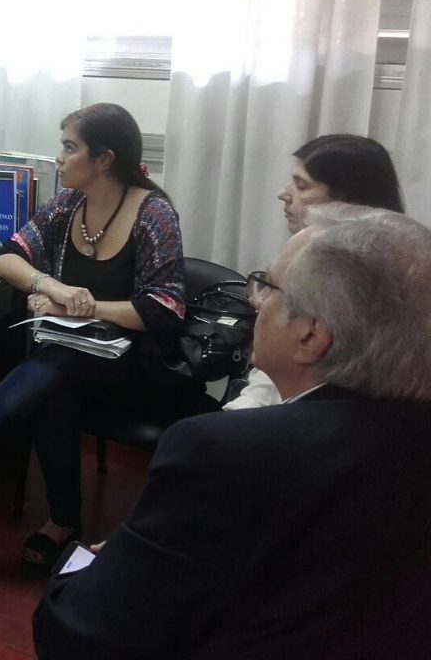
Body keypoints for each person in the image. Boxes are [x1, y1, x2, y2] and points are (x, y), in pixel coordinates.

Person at [33, 204, 431, 659]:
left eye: (268, 286)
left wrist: (91, 564)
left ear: (310, 337)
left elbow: (77, 632)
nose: (254, 301)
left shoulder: (221, 452)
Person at [0, 103, 190, 577]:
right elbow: (6, 258)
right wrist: (50, 286)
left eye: (70, 148)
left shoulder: (153, 214)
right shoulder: (68, 204)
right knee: (58, 384)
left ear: (104, 159)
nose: (59, 158)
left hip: (134, 367)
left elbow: (164, 309)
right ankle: (62, 522)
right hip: (69, 362)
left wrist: (81, 307)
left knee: (59, 366)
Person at [224, 133, 404, 410]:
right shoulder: (306, 252)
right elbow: (269, 377)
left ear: (345, 201)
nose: (283, 194)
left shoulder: (370, 282)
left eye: (301, 185)